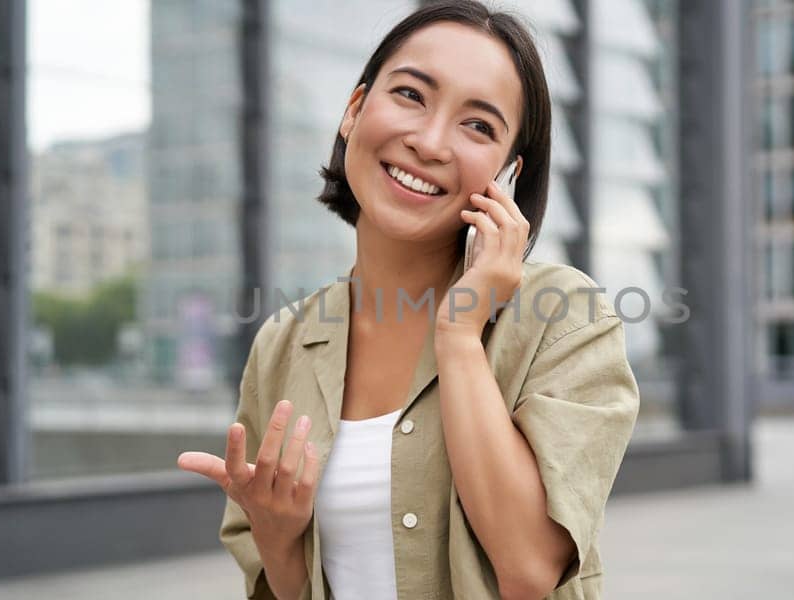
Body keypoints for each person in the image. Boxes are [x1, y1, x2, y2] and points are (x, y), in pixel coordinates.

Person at [176, 2, 639, 598]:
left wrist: (460, 334)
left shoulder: (566, 317)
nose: (429, 142)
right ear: (354, 111)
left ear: (508, 174)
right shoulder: (286, 342)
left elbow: (528, 571)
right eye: (411, 95)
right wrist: (278, 536)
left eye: (478, 126)